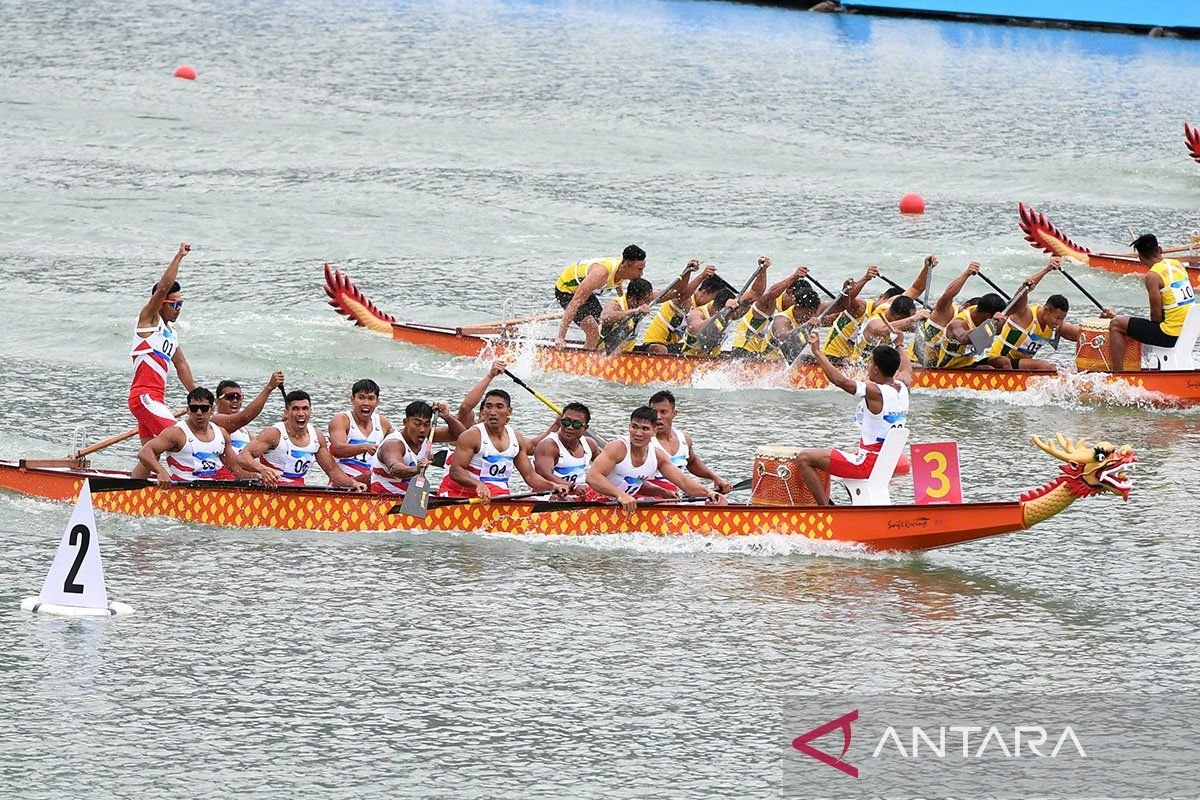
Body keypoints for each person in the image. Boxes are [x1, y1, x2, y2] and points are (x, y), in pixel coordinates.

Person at [793, 331, 913, 506]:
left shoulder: (875, 391)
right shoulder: (904, 385)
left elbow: (841, 381)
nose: (868, 367)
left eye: (870, 363)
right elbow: (907, 368)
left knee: (804, 458)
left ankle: (825, 511)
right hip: (886, 462)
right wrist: (900, 344)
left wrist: (817, 352)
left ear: (876, 369)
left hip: (867, 464)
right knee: (844, 451)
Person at [985, 257, 1116, 371]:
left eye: (1062, 319)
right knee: (1045, 367)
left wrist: (1103, 321)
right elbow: (1023, 291)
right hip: (998, 362)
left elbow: (1083, 334)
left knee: (1057, 369)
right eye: (1058, 318)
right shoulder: (1025, 314)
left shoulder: (1054, 325)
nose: (1058, 323)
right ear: (1047, 310)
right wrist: (1046, 269)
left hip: (1017, 366)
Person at [585, 407, 726, 512]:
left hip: (625, 504)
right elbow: (592, 477)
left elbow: (683, 482)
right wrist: (620, 495)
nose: (638, 433)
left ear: (654, 431)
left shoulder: (657, 456)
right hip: (594, 503)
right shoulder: (618, 447)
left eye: (645, 429)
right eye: (634, 427)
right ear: (629, 427)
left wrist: (709, 493)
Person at [439, 389, 570, 501]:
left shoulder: (516, 438)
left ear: (509, 412)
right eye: (488, 406)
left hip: (496, 495)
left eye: (499, 407)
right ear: (483, 411)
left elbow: (530, 476)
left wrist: (553, 486)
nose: (493, 412)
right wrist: (478, 484)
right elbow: (456, 471)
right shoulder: (472, 436)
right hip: (460, 495)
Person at [129, 242, 197, 444]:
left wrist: (197, 396)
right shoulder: (148, 321)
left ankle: (141, 476)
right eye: (174, 304)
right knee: (179, 439)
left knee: (149, 452)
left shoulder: (171, 333)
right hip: (144, 397)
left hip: (155, 399)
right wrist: (179, 257)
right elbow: (162, 289)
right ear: (160, 305)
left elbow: (181, 364)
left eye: (181, 304)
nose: (178, 308)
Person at [135, 388, 274, 487]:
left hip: (211, 489)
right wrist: (161, 472)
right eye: (194, 408)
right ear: (188, 410)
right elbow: (144, 452)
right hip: (183, 489)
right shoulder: (176, 433)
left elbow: (235, 468)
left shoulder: (222, 433)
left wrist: (259, 478)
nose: (199, 413)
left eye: (204, 408)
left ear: (212, 410)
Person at [238, 390, 365, 490]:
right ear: (286, 413)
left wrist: (353, 483)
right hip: (270, 490)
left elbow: (332, 471)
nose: (301, 413)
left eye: (305, 408)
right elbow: (243, 457)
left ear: (311, 411)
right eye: (295, 409)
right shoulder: (273, 434)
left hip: (298, 491)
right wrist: (262, 469)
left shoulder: (317, 437)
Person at [1108, 234, 1196, 367]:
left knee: (1116, 324)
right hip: (1190, 332)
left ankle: (1117, 374)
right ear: (1160, 250)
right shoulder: (1177, 264)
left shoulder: (1153, 276)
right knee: (1146, 325)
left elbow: (1156, 317)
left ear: (1140, 258)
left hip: (1171, 335)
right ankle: (1162, 369)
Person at [909, 261, 1003, 369]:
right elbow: (947, 295)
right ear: (966, 306)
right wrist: (966, 273)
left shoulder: (979, 319)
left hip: (951, 364)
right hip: (918, 361)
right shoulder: (946, 313)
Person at [554, 245, 648, 349]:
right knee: (593, 332)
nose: (641, 274)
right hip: (566, 291)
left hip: (586, 292)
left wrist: (623, 304)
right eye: (639, 269)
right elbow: (574, 303)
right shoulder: (601, 274)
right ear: (625, 265)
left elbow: (617, 284)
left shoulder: (623, 271)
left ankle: (594, 352)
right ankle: (584, 361)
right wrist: (560, 337)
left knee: (602, 326)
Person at [643, 390, 733, 496]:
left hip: (676, 495)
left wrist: (715, 478)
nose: (658, 417)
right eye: (654, 412)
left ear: (674, 413)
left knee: (720, 502)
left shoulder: (684, 439)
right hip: (651, 497)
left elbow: (692, 462)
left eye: (663, 412)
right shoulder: (644, 442)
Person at [369, 401, 465, 496]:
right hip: (385, 499)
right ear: (405, 422)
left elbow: (462, 436)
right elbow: (395, 468)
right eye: (417, 424)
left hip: (411, 496)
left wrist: (447, 417)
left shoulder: (428, 435)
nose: (422, 430)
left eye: (426, 424)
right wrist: (416, 469)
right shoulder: (393, 443)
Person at [211, 372, 286, 478]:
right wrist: (269, 388)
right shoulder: (215, 422)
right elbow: (245, 417)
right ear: (218, 401)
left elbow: (264, 448)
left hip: (244, 479)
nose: (235, 400)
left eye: (239, 397)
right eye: (230, 397)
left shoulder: (244, 431)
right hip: (225, 480)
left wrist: (283, 425)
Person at [730, 262, 809, 358]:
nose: (798, 306)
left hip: (764, 358)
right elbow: (768, 294)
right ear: (789, 292)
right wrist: (794, 277)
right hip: (743, 352)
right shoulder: (770, 304)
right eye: (798, 301)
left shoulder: (795, 312)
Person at [641, 262, 715, 354]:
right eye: (713, 299)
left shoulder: (700, 310)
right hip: (653, 345)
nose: (712, 304)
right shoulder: (686, 301)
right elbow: (681, 292)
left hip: (670, 346)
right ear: (704, 293)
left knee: (698, 348)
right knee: (661, 349)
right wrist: (700, 275)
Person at [328, 379, 395, 479]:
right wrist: (364, 447)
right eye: (361, 398)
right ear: (352, 399)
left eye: (371, 398)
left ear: (377, 402)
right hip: (346, 481)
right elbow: (337, 450)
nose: (366, 403)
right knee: (372, 475)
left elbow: (398, 447)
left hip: (372, 480)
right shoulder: (342, 420)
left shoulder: (383, 423)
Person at [532, 402, 596, 494]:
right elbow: (544, 474)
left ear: (585, 428)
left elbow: (609, 466)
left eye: (576, 424)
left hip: (578, 495)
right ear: (560, 422)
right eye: (566, 422)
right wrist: (573, 486)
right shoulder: (548, 445)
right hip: (549, 496)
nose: (569, 427)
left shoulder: (590, 444)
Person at [820, 267, 881, 361]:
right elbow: (848, 300)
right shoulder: (861, 308)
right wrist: (865, 278)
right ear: (881, 297)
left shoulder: (885, 317)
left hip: (851, 359)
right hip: (831, 355)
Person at [598, 278, 654, 353]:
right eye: (646, 301)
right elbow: (605, 317)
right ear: (632, 299)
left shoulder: (643, 301)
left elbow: (667, 294)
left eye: (649, 301)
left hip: (627, 353)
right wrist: (635, 311)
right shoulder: (616, 305)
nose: (647, 305)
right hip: (604, 353)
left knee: (657, 349)